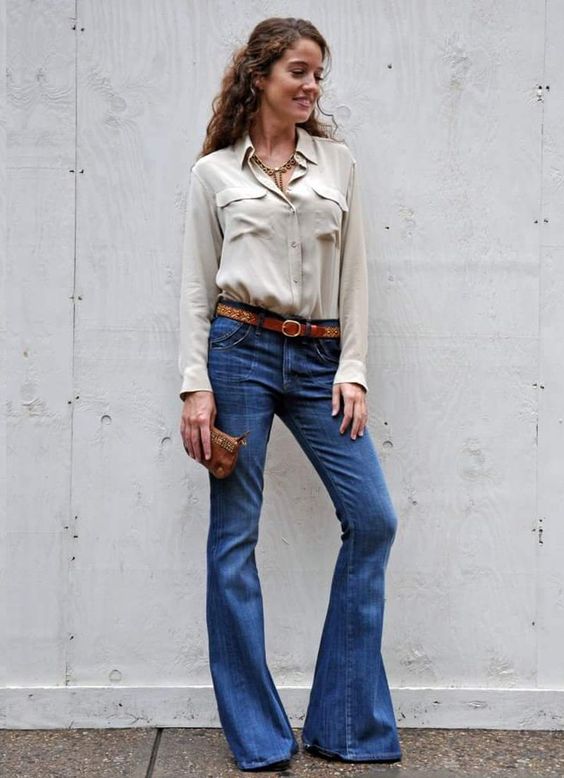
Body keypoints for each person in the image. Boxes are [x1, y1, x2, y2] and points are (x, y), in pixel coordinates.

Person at [178, 16, 401, 773]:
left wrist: (353, 368)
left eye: (317, 75)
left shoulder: (337, 164)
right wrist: (195, 387)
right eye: (298, 72)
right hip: (237, 351)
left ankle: (344, 723)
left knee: (372, 518)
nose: (311, 86)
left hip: (319, 358)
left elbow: (357, 274)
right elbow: (195, 289)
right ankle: (259, 735)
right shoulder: (215, 174)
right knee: (234, 540)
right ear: (261, 76)